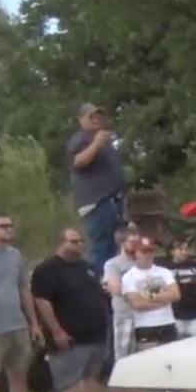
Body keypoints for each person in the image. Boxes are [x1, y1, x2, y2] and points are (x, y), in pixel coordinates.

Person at [29, 229, 109, 392]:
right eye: (74, 242)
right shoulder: (48, 269)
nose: (79, 245)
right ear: (60, 243)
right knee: (70, 379)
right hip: (69, 335)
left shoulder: (88, 268)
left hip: (96, 334)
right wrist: (56, 330)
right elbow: (42, 301)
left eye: (81, 242)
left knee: (93, 377)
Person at [0, 211, 46, 392]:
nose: (8, 229)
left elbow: (24, 289)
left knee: (18, 376)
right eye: (3, 226)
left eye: (10, 226)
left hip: (16, 324)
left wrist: (33, 322)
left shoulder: (15, 256)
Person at [66, 102, 128, 272]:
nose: (96, 119)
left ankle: (109, 284)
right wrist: (96, 143)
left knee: (114, 247)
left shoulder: (105, 141)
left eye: (98, 115)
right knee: (101, 248)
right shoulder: (81, 138)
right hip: (97, 202)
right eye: (90, 116)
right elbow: (78, 163)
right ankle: (96, 285)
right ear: (80, 119)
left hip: (112, 202)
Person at [120, 237, 180, 350]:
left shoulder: (164, 272)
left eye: (150, 251)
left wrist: (149, 299)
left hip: (167, 322)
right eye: (143, 252)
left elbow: (175, 294)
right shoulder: (129, 276)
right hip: (145, 325)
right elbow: (138, 304)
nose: (148, 255)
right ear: (136, 253)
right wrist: (163, 300)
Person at [103, 225, 142, 360]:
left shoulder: (142, 262)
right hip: (125, 315)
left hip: (145, 315)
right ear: (121, 242)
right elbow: (115, 288)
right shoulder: (112, 264)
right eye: (132, 242)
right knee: (124, 355)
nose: (136, 245)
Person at [166, 238, 196, 337]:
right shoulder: (166, 267)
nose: (184, 252)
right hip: (174, 313)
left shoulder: (194, 265)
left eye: (186, 249)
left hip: (193, 311)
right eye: (180, 250)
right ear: (172, 251)